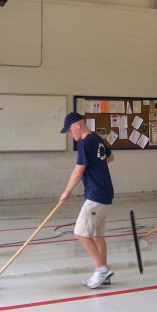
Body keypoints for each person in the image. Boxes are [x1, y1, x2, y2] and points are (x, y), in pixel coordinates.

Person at [59, 112, 115, 289]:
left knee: (81, 233)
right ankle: (103, 275)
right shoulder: (96, 138)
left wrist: (66, 192)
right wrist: (98, 164)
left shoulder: (85, 143)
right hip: (105, 193)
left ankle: (101, 270)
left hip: (96, 195)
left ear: (77, 125)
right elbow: (111, 157)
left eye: (69, 130)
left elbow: (78, 172)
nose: (70, 135)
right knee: (98, 235)